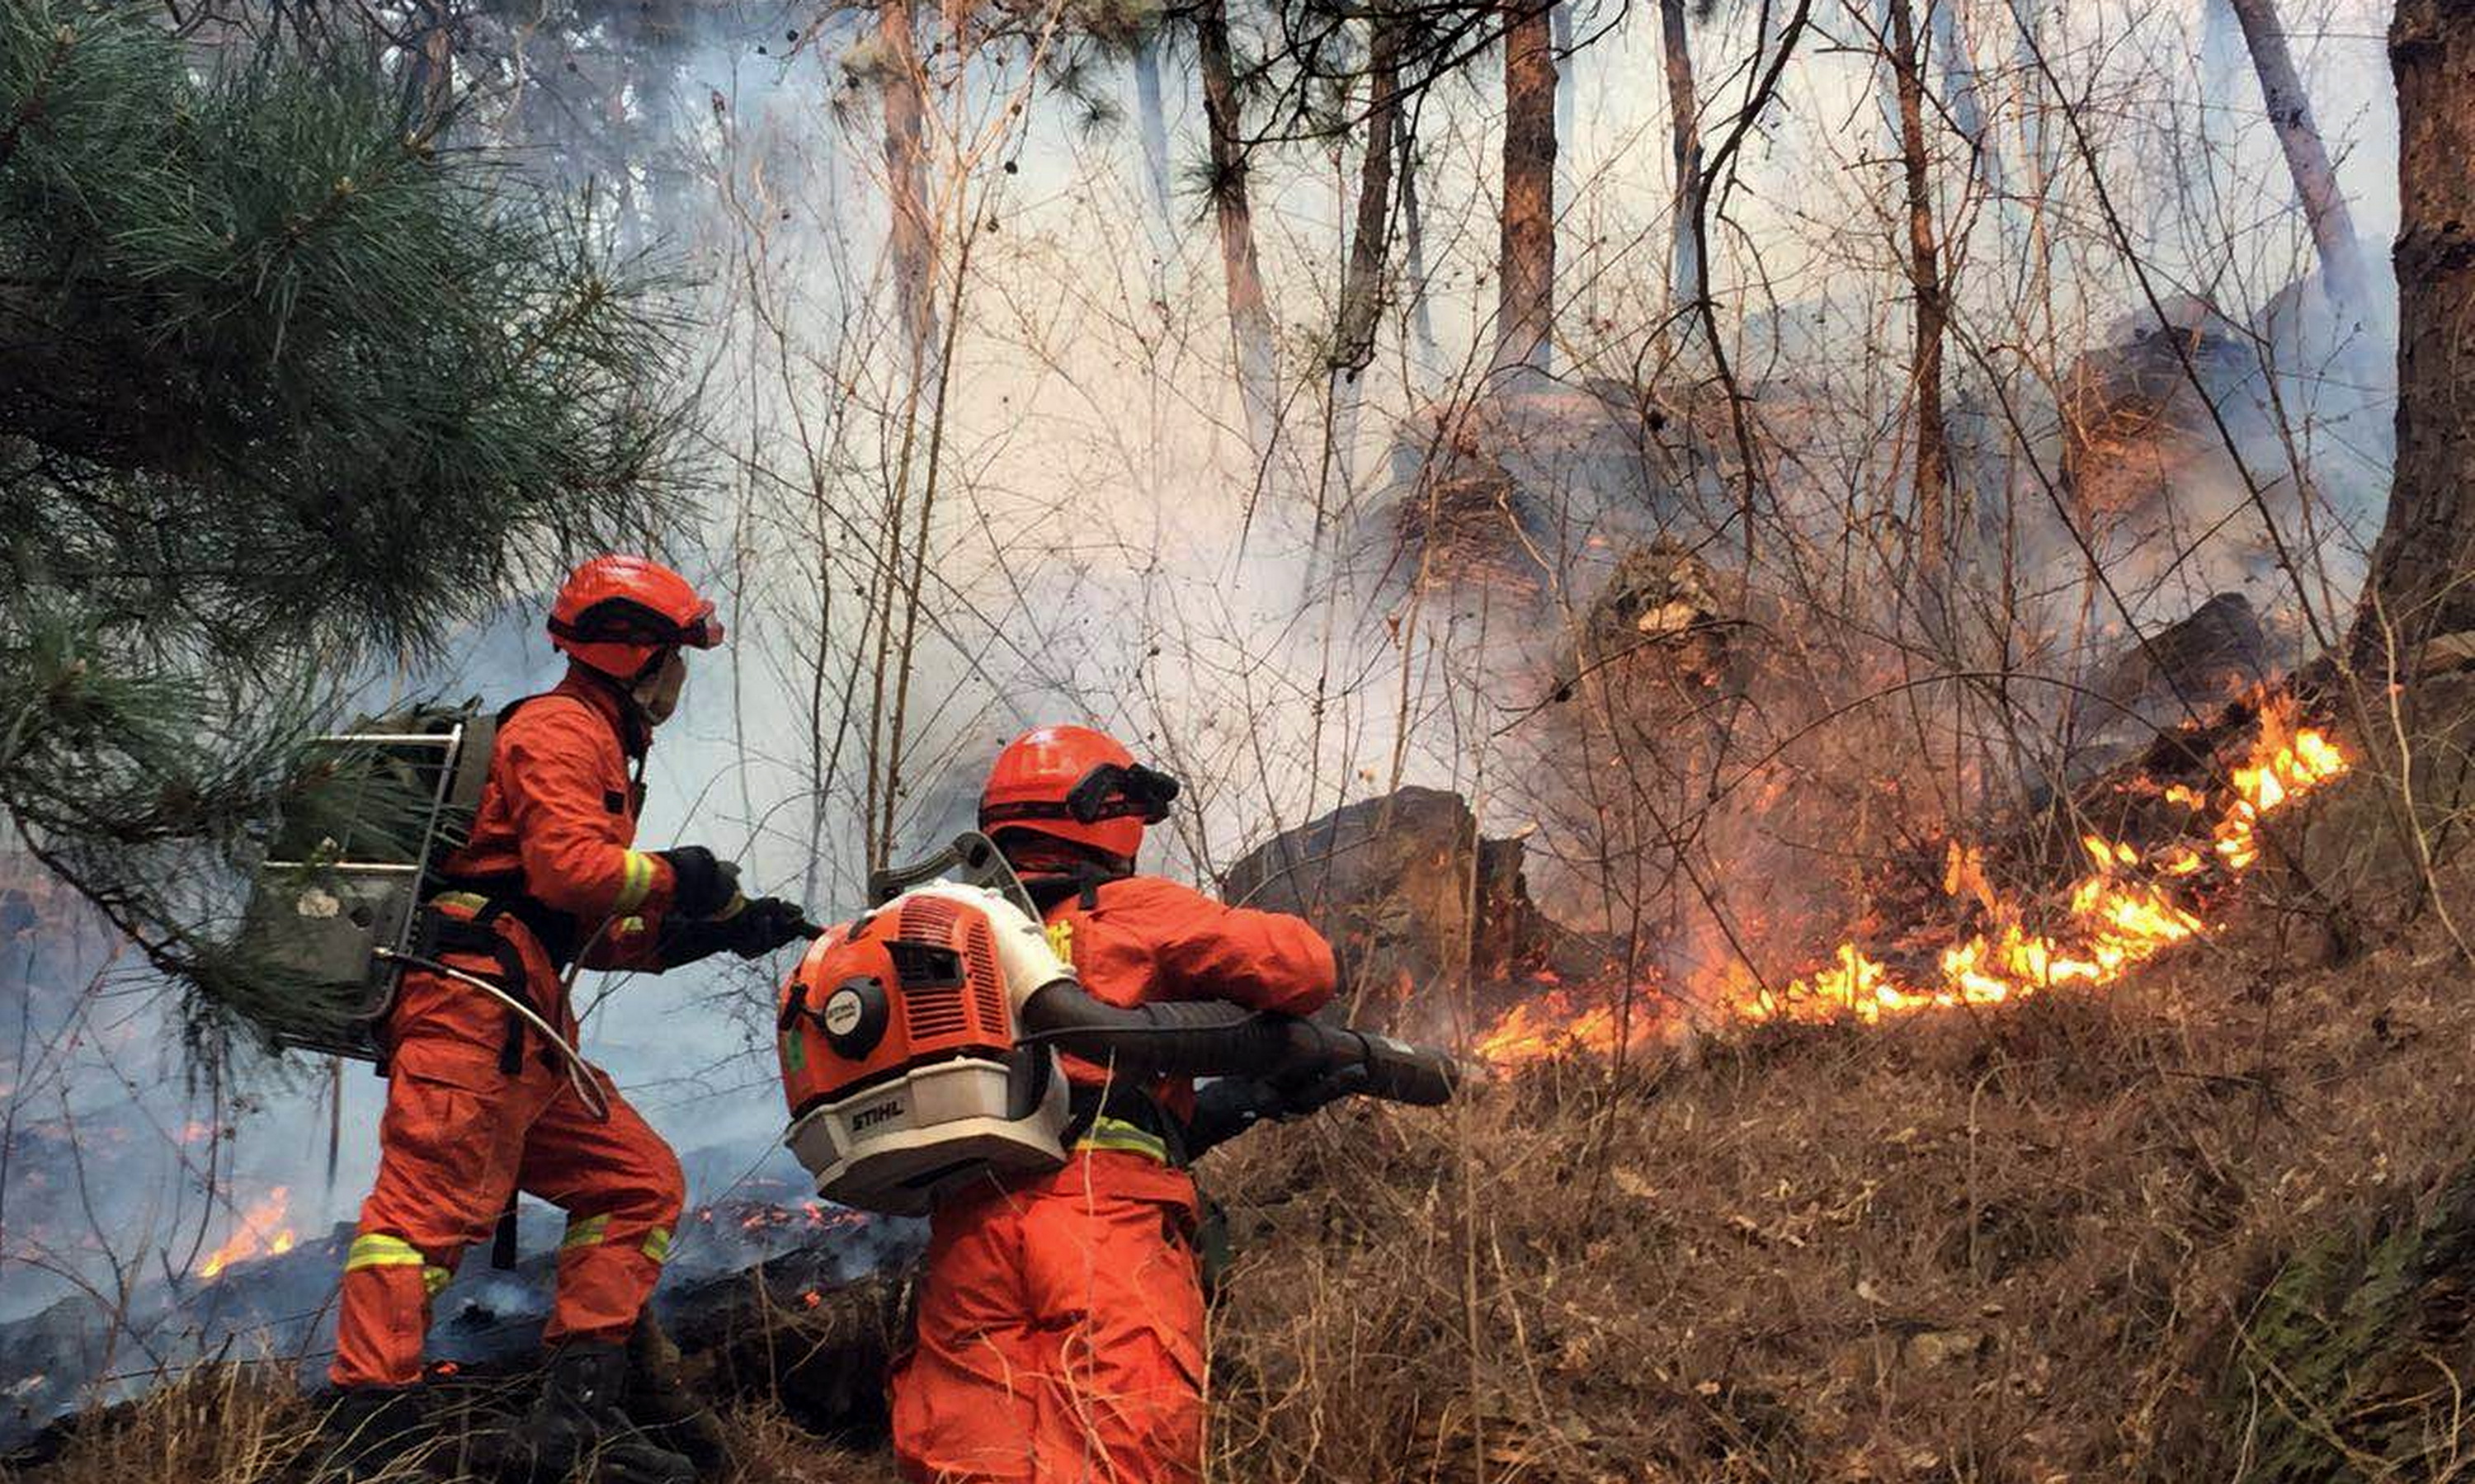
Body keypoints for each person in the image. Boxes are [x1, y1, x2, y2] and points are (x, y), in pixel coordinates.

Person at [323, 555, 808, 1482]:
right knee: (421, 1215)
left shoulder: (595, 738)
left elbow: (582, 923)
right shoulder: (557, 729)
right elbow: (570, 874)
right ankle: (370, 1434)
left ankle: (575, 1421)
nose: (681, 679)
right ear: (638, 656)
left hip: (522, 1019)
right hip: (471, 1012)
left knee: (637, 1183)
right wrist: (682, 875)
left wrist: (714, 931)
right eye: (676, 657)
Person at [889, 724, 1339, 1484]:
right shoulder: (1129, 908)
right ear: (1110, 817)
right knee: (1126, 1451)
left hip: (969, 1230)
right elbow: (1304, 968)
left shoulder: (940, 934)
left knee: (969, 1461)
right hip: (1100, 1220)